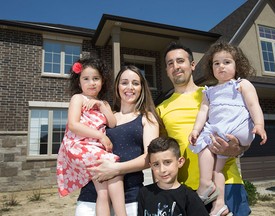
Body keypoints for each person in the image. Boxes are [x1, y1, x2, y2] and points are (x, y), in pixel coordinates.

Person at [156, 41, 251, 216]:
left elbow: (244, 127)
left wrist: (237, 147)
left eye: (180, 61)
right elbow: (160, 152)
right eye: (170, 63)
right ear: (167, 70)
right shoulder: (160, 108)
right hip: (188, 189)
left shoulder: (216, 93)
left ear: (192, 65)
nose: (175, 66)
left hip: (227, 183)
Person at [188, 41, 267, 215]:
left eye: (226, 62)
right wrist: (195, 129)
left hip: (237, 127)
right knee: (217, 167)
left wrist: (259, 125)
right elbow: (203, 112)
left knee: (206, 144)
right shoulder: (209, 91)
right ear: (211, 67)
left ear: (237, 65)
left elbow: (254, 105)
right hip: (220, 131)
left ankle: (205, 184)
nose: (221, 66)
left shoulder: (241, 84)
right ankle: (219, 204)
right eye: (216, 63)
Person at [75, 65, 162, 216]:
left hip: (130, 197)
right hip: (92, 194)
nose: (130, 87)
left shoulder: (147, 118)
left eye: (135, 83)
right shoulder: (105, 117)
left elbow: (151, 158)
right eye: (124, 82)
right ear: (117, 86)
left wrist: (117, 169)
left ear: (142, 88)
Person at [57, 57, 127, 216]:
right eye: (86, 79)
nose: (91, 82)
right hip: (79, 146)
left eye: (96, 78)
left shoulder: (104, 103)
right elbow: (74, 124)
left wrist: (101, 105)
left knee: (103, 192)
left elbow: (113, 123)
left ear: (102, 81)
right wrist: (100, 136)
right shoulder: (78, 98)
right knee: (114, 169)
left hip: (94, 150)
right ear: (79, 82)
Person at [137, 136, 209, 216]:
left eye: (167, 162)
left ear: (180, 162)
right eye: (156, 164)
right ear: (151, 166)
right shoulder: (144, 193)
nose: (162, 170)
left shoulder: (189, 196)